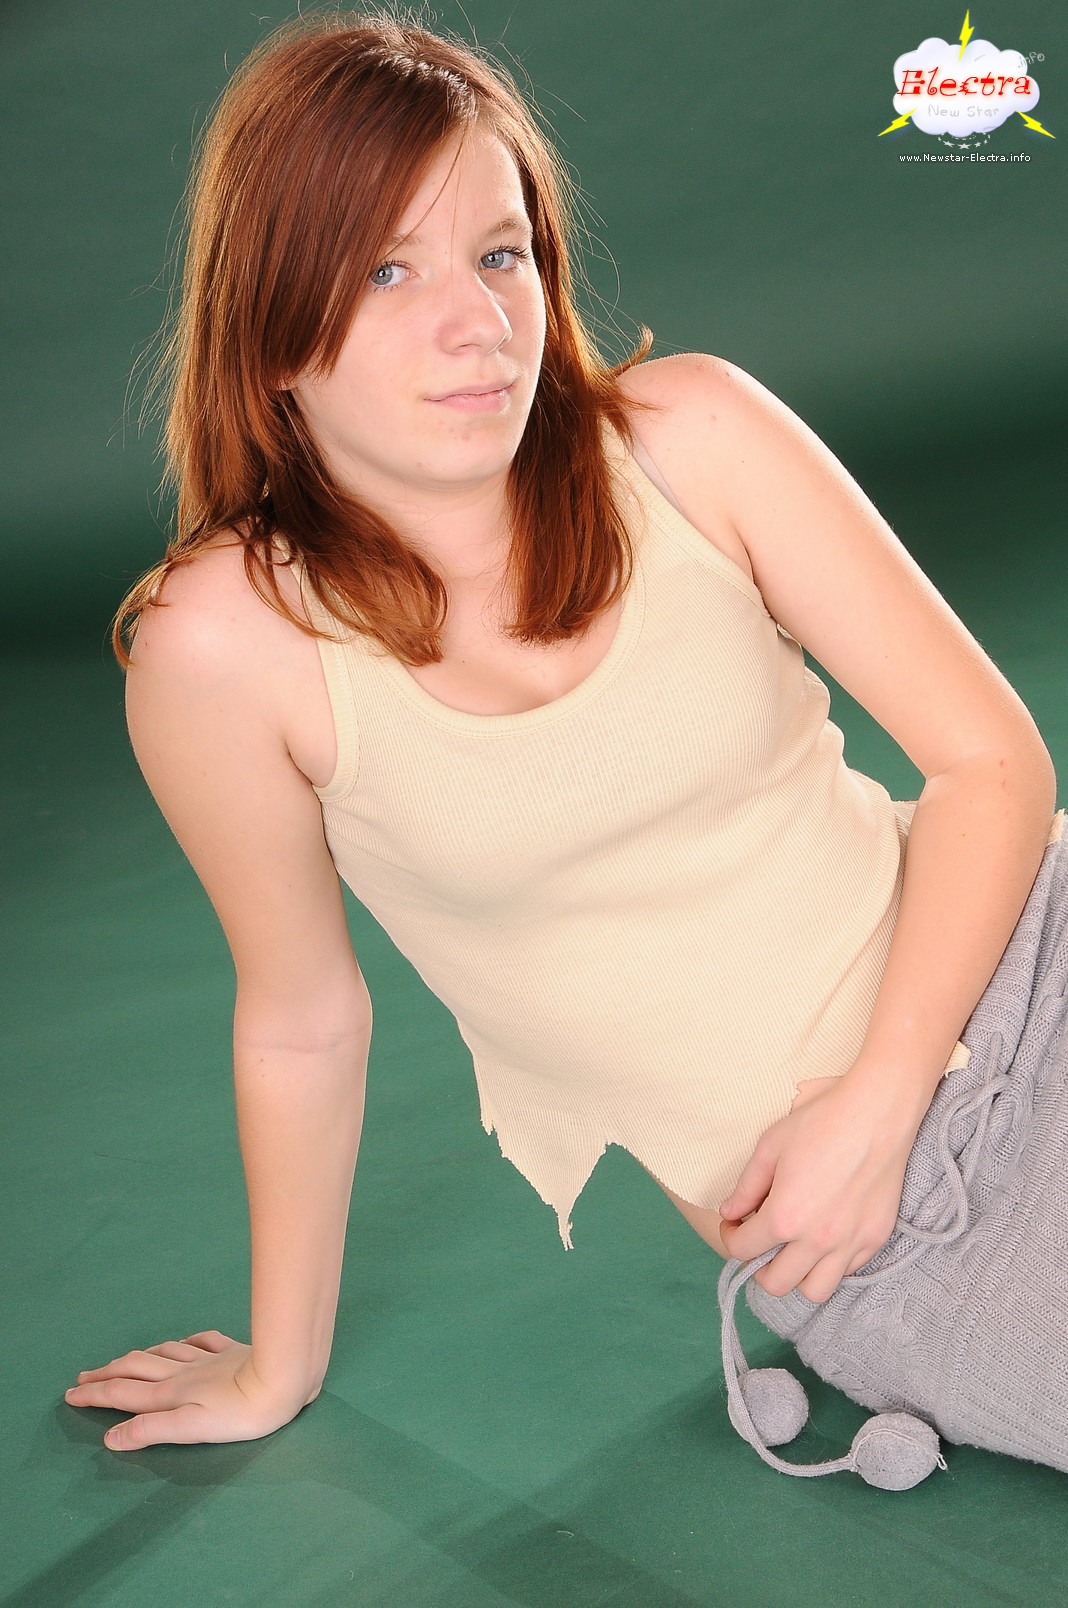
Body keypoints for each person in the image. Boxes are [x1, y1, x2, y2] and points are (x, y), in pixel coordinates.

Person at [64, 9, 1058, 1453]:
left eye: (501, 252)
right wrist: (278, 1367)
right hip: (887, 1246)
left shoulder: (690, 437)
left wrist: (886, 1092)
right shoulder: (220, 648)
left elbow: (991, 762)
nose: (477, 324)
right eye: (386, 270)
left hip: (1025, 966)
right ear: (272, 325)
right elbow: (302, 1016)